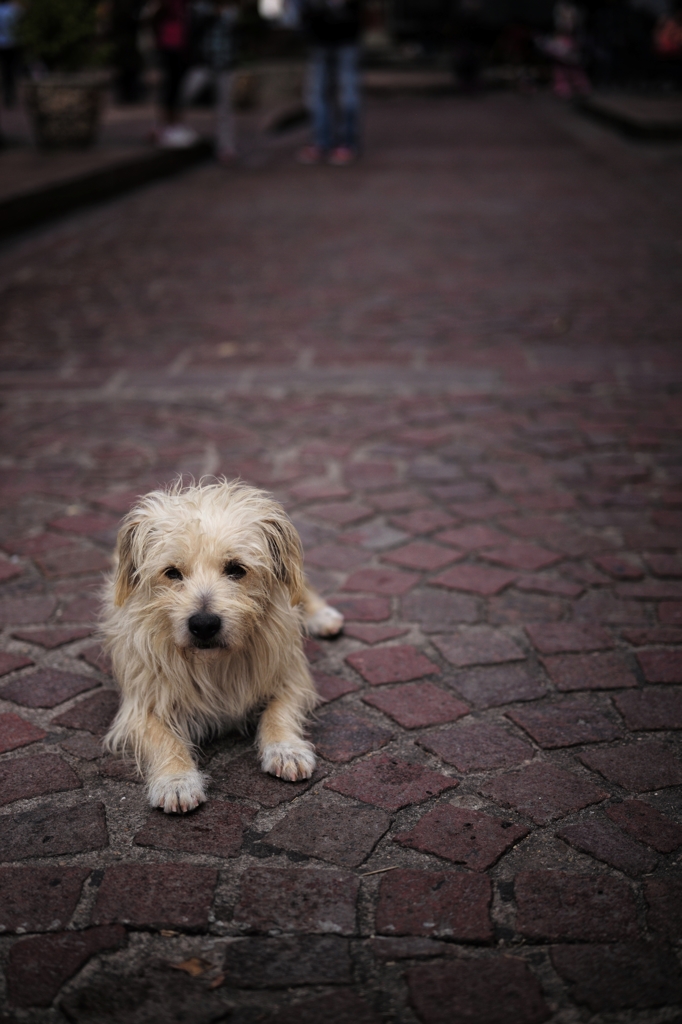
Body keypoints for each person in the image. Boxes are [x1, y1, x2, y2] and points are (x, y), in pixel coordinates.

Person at [298, 0, 363, 166]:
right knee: (319, 93)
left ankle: (345, 142)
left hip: (344, 36)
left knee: (345, 92)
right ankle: (323, 141)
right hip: (321, 38)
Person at [150, 0, 198, 146]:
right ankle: (167, 126)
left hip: (182, 45)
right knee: (170, 87)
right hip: (169, 44)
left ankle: (175, 125)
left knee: (178, 87)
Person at [0, 0, 19, 109]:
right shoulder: (14, 10)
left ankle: (7, 95)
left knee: (4, 70)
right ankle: (9, 95)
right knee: (10, 71)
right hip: (12, 43)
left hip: (2, 43)